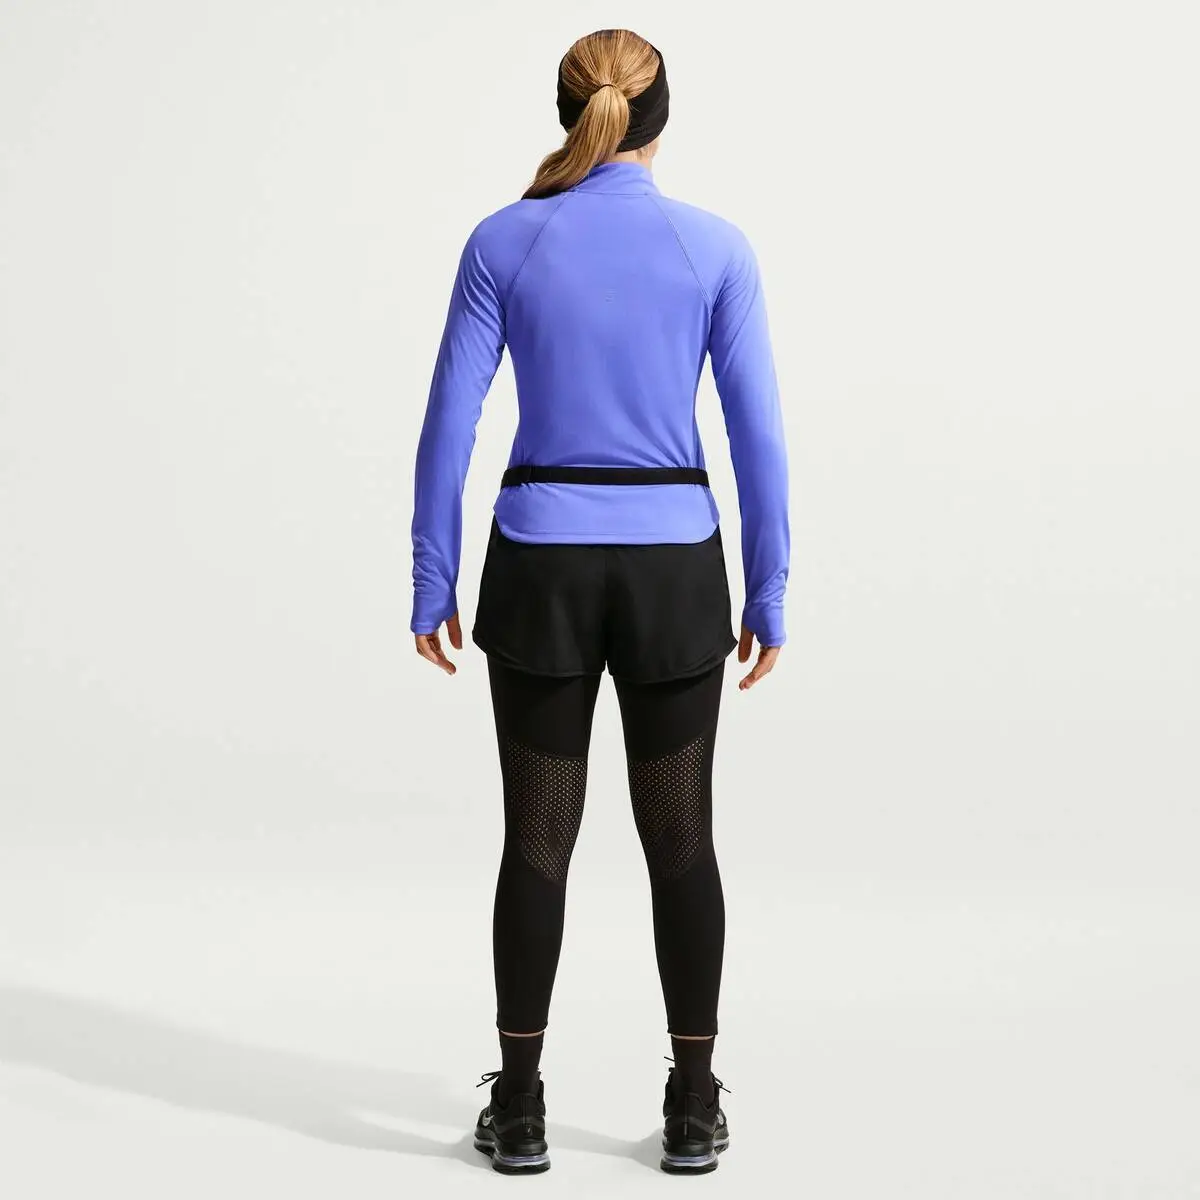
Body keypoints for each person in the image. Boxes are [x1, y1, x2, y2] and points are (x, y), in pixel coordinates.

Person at [410, 28, 788, 1176]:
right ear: (660, 120)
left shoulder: (504, 240)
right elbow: (757, 433)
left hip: (544, 569)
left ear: (566, 110)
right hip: (674, 572)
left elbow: (451, 419)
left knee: (537, 841)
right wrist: (768, 585)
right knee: (682, 840)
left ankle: (521, 1107)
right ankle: (694, 1105)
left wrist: (432, 574)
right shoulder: (714, 248)